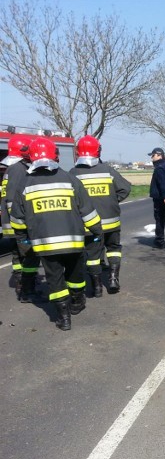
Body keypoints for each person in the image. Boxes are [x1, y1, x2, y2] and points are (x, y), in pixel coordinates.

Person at [10, 137, 103, 331]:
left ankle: (64, 317)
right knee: (75, 275)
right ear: (56, 156)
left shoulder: (24, 183)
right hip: (74, 242)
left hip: (45, 246)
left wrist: (23, 240)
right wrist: (97, 232)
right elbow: (88, 211)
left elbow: (18, 219)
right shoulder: (70, 179)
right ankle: (77, 302)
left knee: (55, 280)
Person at [70, 135, 131, 296]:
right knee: (113, 249)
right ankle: (112, 279)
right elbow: (125, 189)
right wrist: (112, 200)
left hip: (89, 225)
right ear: (98, 151)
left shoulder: (73, 173)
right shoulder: (108, 170)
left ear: (78, 152)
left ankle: (96, 288)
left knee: (92, 256)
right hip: (112, 223)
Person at [0, 134, 42, 302]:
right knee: (30, 256)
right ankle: (27, 290)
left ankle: (22, 286)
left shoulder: (12, 168)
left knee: (18, 257)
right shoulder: (18, 169)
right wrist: (25, 223)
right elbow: (13, 201)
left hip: (12, 224)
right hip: (19, 225)